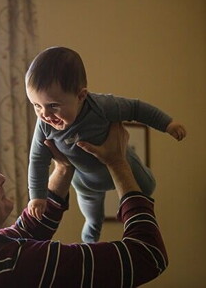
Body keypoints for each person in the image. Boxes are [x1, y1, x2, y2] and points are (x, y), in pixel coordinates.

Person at [0, 123, 168, 287]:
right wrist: (118, 163)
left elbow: (23, 232)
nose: (0, 178)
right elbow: (147, 255)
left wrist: (63, 168)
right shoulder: (17, 266)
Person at [26, 46, 187, 242]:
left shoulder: (102, 107)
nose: (45, 114)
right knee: (93, 217)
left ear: (81, 96)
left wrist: (168, 124)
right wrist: (37, 196)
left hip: (122, 162)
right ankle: (90, 240)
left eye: (53, 106)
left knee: (148, 187)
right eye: (36, 105)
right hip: (86, 182)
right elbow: (37, 160)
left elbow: (136, 109)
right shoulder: (44, 125)